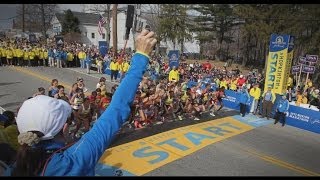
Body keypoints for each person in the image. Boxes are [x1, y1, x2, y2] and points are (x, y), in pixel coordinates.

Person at [6, 29, 156, 176]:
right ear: (61, 129)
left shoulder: (12, 168)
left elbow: (116, 108)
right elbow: (117, 107)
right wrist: (141, 55)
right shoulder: (73, 161)